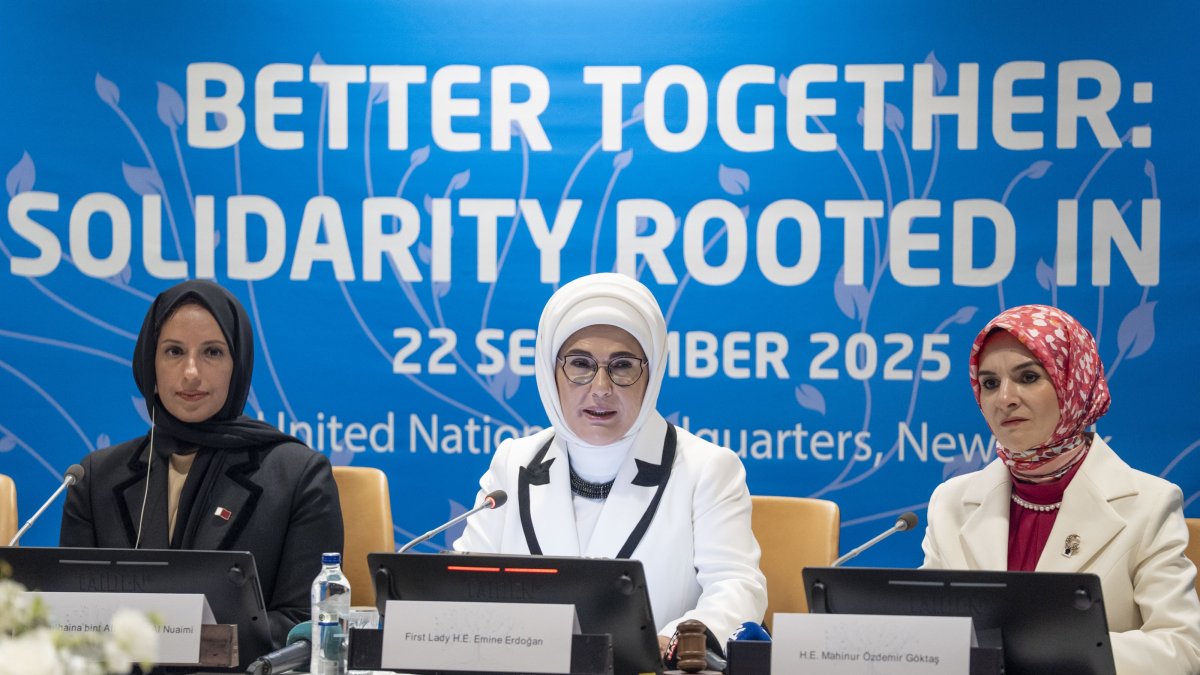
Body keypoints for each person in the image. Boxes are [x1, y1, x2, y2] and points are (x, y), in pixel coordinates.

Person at [454, 273, 767, 650]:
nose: (600, 388)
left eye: (622, 366)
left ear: (651, 374)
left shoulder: (707, 469)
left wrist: (673, 642)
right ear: (549, 372)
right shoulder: (514, 463)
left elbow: (737, 588)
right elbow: (465, 586)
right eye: (580, 363)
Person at [60, 279, 344, 648]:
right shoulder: (94, 479)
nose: (191, 372)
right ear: (150, 365)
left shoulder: (297, 478)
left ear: (237, 364)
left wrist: (189, 642)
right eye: (174, 352)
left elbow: (304, 627)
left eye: (211, 352)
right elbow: (70, 618)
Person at [922, 304, 1200, 673]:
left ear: (1073, 385)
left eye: (1028, 377)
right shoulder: (950, 503)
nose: (1005, 398)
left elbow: (1182, 648)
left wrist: (1058, 648)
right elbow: (927, 633)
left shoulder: (1149, 504)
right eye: (990, 383)